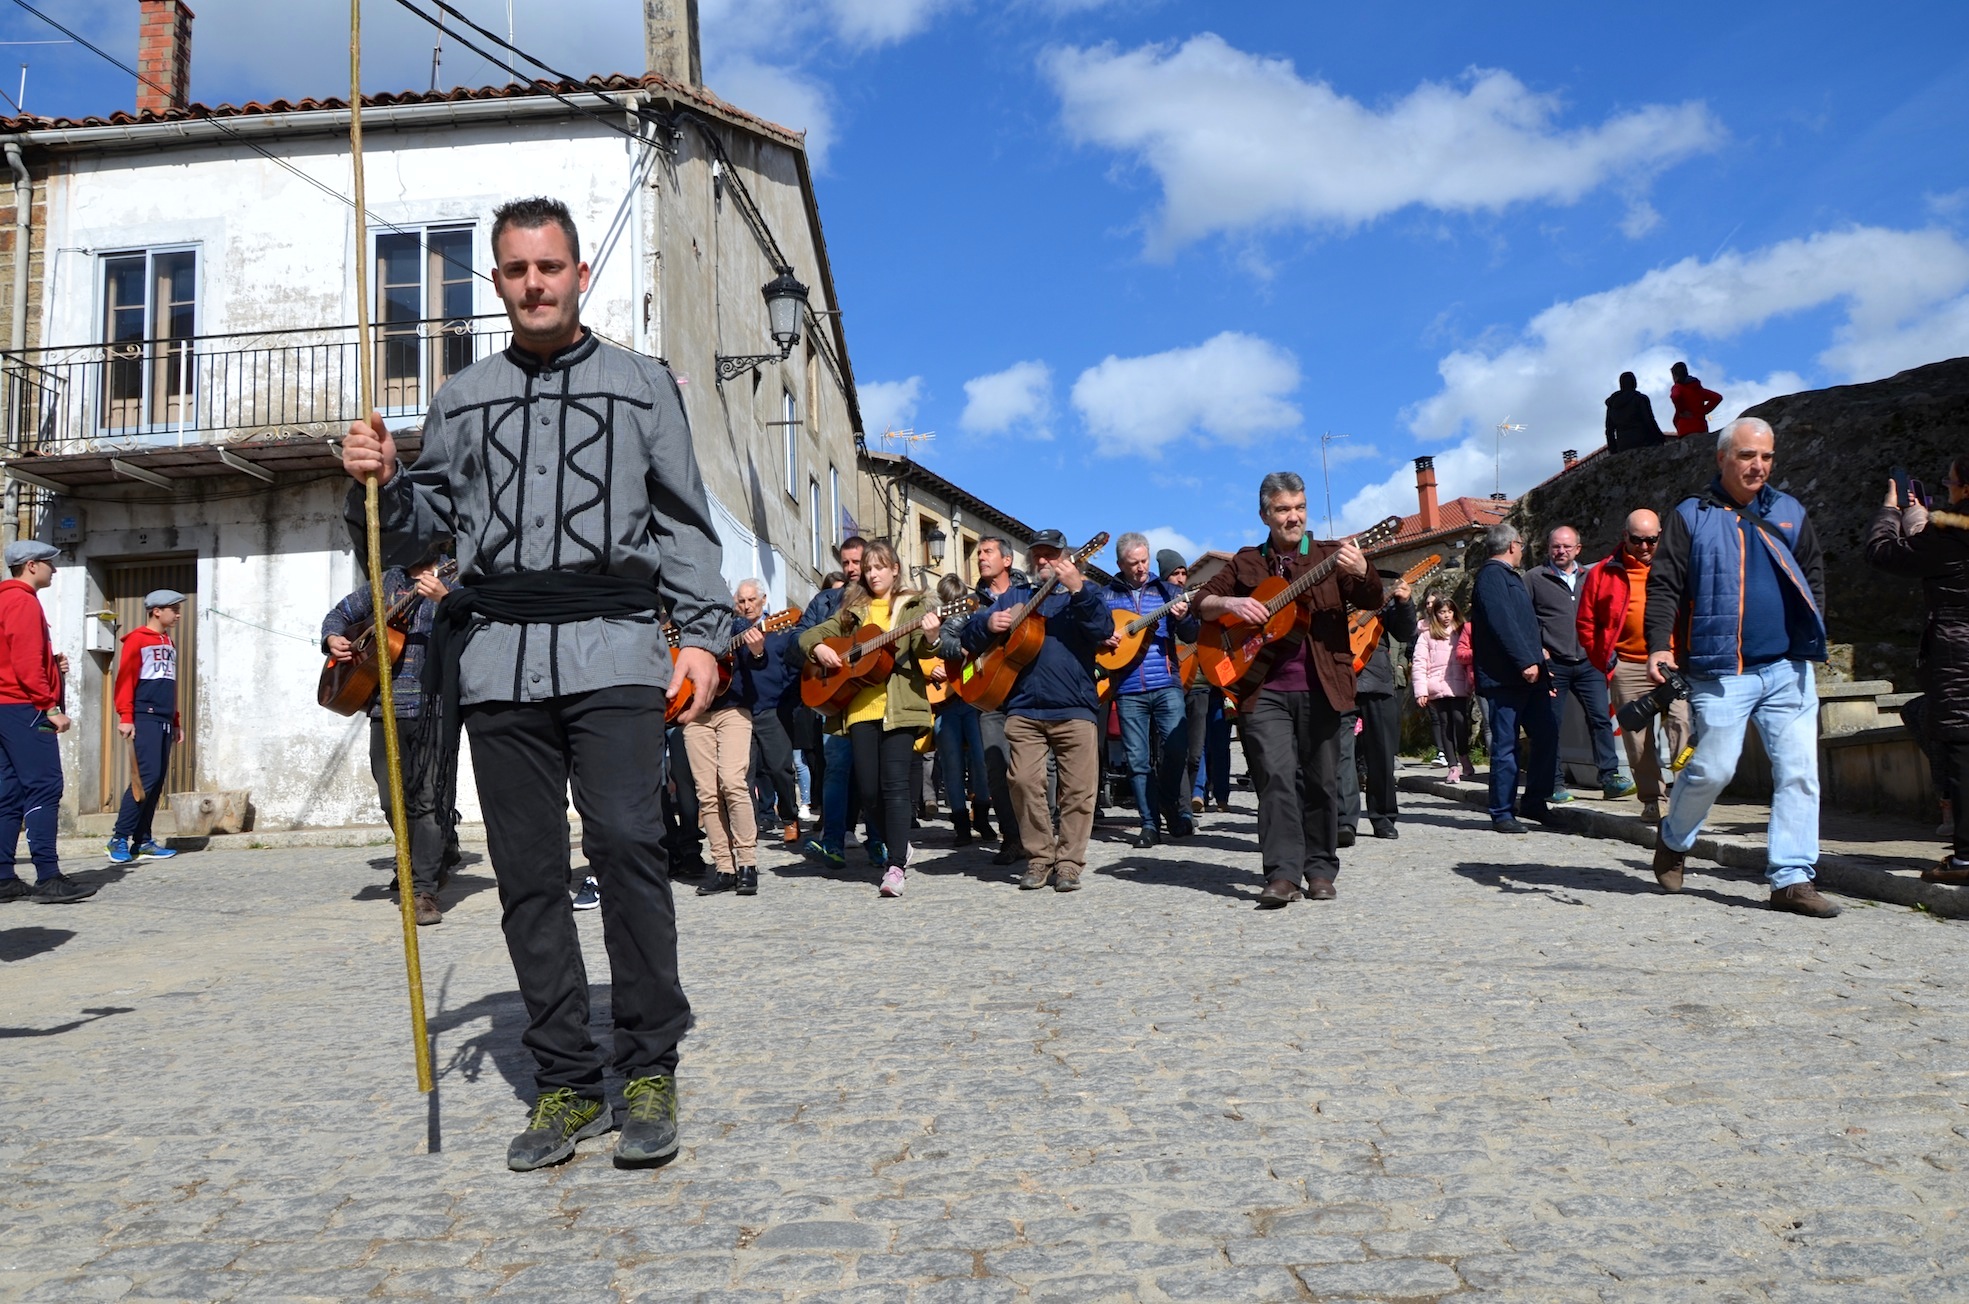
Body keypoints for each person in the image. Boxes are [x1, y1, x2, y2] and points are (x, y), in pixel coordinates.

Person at [340, 195, 730, 1171]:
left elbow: (682, 520)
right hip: (501, 659)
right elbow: (422, 521)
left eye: (549, 266)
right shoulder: (463, 397)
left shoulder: (642, 386)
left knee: (630, 843)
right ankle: (565, 1081)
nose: (534, 282)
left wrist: (706, 635)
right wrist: (378, 479)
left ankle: (648, 1065)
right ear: (499, 281)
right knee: (527, 876)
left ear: (577, 272)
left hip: (613, 645)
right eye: (515, 270)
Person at [1646, 417, 1838, 917]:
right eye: (1748, 456)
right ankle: (1674, 837)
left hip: (1788, 668)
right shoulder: (1691, 515)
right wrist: (1659, 647)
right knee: (1713, 768)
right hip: (1720, 670)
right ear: (1722, 458)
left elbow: (1813, 571)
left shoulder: (1791, 511)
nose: (1758, 466)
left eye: (1767, 457)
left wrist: (1811, 628)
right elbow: (1664, 584)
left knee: (1799, 773)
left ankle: (1792, 878)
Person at [1196, 473, 1381, 906]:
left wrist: (1365, 570)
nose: (1293, 517)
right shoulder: (1246, 563)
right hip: (1263, 691)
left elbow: (1372, 599)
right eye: (1282, 509)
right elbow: (1202, 601)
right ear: (1265, 515)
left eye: (1298, 507)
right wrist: (1231, 603)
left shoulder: (1330, 556)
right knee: (1275, 780)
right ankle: (1281, 873)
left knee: (1321, 781)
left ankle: (1319, 869)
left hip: (1322, 685)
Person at [959, 529, 1108, 892]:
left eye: (1051, 554)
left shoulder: (1084, 594)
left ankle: (1069, 863)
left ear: (1068, 557)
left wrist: (1079, 589)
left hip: (1075, 707)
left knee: (1078, 791)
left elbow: (1103, 628)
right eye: (1037, 554)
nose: (1043, 560)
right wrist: (985, 623)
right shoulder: (1013, 596)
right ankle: (1040, 857)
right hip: (1023, 707)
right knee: (1022, 783)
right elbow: (968, 638)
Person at [319, 550, 460, 923]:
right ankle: (425, 860)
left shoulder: (456, 574)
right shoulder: (388, 581)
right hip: (385, 707)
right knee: (391, 800)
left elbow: (477, 622)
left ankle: (424, 889)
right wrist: (333, 637)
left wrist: (446, 600)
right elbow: (340, 614)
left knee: (428, 800)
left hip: (436, 707)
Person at [798, 540, 941, 897]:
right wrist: (819, 648)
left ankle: (895, 865)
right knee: (868, 789)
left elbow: (924, 647)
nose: (873, 574)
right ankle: (898, 843)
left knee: (894, 786)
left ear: (895, 569)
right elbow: (810, 634)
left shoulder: (914, 605)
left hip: (901, 706)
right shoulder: (852, 608)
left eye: (880, 567)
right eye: (869, 568)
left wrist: (934, 635)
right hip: (860, 708)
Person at [1864, 462, 1969, 882]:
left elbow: (1882, 552)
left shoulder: (1950, 537)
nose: (1948, 488)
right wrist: (1920, 519)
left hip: (1959, 657)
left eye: (1951, 482)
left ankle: (1965, 859)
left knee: (1962, 752)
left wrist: (1891, 510)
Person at [1578, 510, 1691, 823]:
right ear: (1625, 537)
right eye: (1638, 540)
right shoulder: (1603, 573)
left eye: (1652, 540)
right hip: (1627, 665)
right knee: (1638, 742)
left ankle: (1683, 799)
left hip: (1670, 664)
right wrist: (1606, 659)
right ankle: (1652, 799)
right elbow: (1586, 622)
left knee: (1681, 729)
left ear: (1660, 535)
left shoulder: (1674, 567)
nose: (1645, 547)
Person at [0, 540, 88, 905]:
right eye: (51, 564)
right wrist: (50, 706)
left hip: (5, 708)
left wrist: (52, 664)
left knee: (7, 793)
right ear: (32, 566)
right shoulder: (23, 601)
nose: (55, 570)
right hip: (25, 709)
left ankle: (3, 877)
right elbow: (22, 662)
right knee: (44, 786)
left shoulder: (4, 598)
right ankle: (48, 876)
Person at [1100, 532, 1200, 849]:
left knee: (1176, 749)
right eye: (1134, 563)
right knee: (1137, 760)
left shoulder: (1167, 591)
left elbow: (1192, 631)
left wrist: (1184, 619)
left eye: (1144, 560)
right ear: (1120, 565)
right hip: (1128, 689)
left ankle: (1169, 803)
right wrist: (1104, 639)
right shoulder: (1107, 598)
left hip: (1166, 682)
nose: (1141, 568)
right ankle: (1149, 824)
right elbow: (1095, 636)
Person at [1528, 526, 1633, 804]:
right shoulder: (1535, 579)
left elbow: (1606, 614)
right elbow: (1525, 620)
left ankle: (1610, 778)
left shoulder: (1593, 577)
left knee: (1601, 719)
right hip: (1555, 664)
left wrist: (1606, 651)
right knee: (1553, 725)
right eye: (1555, 546)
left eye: (1566, 546)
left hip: (1590, 662)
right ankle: (1555, 783)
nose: (1560, 551)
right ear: (1548, 549)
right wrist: (1538, 651)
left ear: (1578, 549)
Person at [940, 535, 1026, 865]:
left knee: (1037, 772)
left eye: (987, 552)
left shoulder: (1028, 594)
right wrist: (971, 643)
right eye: (977, 554)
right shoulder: (971, 603)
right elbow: (946, 642)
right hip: (992, 696)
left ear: (1007, 560)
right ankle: (1012, 838)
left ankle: (1039, 833)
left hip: (1029, 694)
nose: (980, 558)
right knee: (996, 768)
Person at [1469, 523, 1558, 834]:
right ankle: (1502, 811)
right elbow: (1502, 623)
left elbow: (1523, 624)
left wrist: (1540, 656)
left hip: (1531, 676)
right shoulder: (1491, 577)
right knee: (1506, 746)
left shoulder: (1509, 578)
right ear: (1510, 546)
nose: (1522, 550)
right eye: (1520, 544)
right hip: (1507, 678)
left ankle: (1535, 801)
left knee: (1546, 734)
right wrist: (1524, 660)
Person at [791, 537, 873, 869]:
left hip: (869, 694)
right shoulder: (825, 600)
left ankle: (880, 841)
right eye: (847, 563)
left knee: (871, 773)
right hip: (834, 695)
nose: (852, 569)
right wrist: (818, 650)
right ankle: (834, 838)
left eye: (858, 563)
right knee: (835, 767)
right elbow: (797, 639)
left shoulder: (880, 598)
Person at [686, 590, 770, 898]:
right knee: (707, 793)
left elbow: (756, 662)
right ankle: (724, 867)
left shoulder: (733, 626)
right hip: (694, 713)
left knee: (733, 782)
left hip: (733, 710)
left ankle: (747, 863)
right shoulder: (684, 628)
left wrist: (758, 650)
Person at [106, 588, 187, 867]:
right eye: (173, 610)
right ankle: (119, 838)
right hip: (144, 716)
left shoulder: (168, 642)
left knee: (156, 781)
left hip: (164, 720)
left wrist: (175, 721)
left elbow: (170, 685)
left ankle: (142, 841)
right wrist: (125, 716)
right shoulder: (137, 640)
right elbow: (125, 679)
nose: (177, 615)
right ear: (156, 611)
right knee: (145, 778)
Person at [1339, 575, 1417, 842]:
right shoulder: (1331, 590)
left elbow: (1405, 632)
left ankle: (1383, 817)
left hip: (1378, 678)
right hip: (1338, 678)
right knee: (1341, 754)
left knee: (1382, 754)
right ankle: (1343, 820)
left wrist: (1406, 603)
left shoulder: (1380, 596)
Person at [734, 579, 802, 847]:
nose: (747, 605)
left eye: (752, 600)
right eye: (741, 601)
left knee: (779, 769)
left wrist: (789, 703)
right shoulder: (732, 633)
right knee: (742, 774)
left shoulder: (780, 631)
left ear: (763, 600)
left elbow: (794, 671)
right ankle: (747, 826)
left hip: (773, 708)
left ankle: (789, 817)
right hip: (739, 711)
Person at [931, 573, 992, 845]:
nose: (955, 608)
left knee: (982, 762)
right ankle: (960, 825)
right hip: (946, 704)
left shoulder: (973, 618)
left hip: (972, 701)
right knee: (952, 766)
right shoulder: (931, 628)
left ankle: (980, 817)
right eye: (949, 603)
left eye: (959, 602)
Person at [1413, 594, 1475, 782]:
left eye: (1449, 611)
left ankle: (1464, 756)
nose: (1446, 616)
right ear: (1435, 614)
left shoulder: (1461, 631)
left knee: (1460, 720)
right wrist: (1421, 691)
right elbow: (1419, 663)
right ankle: (1452, 765)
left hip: (1458, 684)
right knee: (1445, 724)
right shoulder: (1427, 635)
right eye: (1442, 612)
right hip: (1437, 685)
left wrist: (1471, 681)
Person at [1604, 371, 1664, 454]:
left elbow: (1609, 430)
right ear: (1634, 383)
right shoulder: (1640, 399)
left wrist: (1613, 450)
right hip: (1643, 441)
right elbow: (1649, 421)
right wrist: (1660, 437)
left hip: (1623, 445)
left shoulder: (1612, 404)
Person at [1669, 362, 1723, 437]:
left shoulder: (1678, 387)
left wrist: (1682, 410)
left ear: (1675, 376)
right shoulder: (1698, 389)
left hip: (1685, 428)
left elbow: (1675, 396)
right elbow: (1717, 397)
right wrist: (1703, 411)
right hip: (1701, 427)